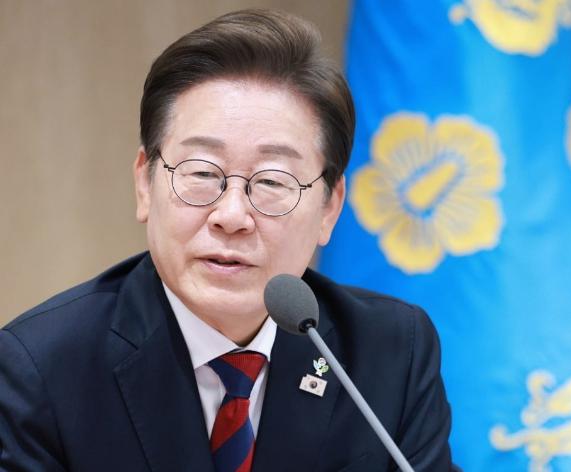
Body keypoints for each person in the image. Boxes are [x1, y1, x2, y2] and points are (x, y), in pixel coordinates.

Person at [0, 9, 453, 471]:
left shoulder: (391, 353)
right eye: (201, 173)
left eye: (272, 181)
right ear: (144, 184)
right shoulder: (41, 370)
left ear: (330, 208)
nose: (232, 216)